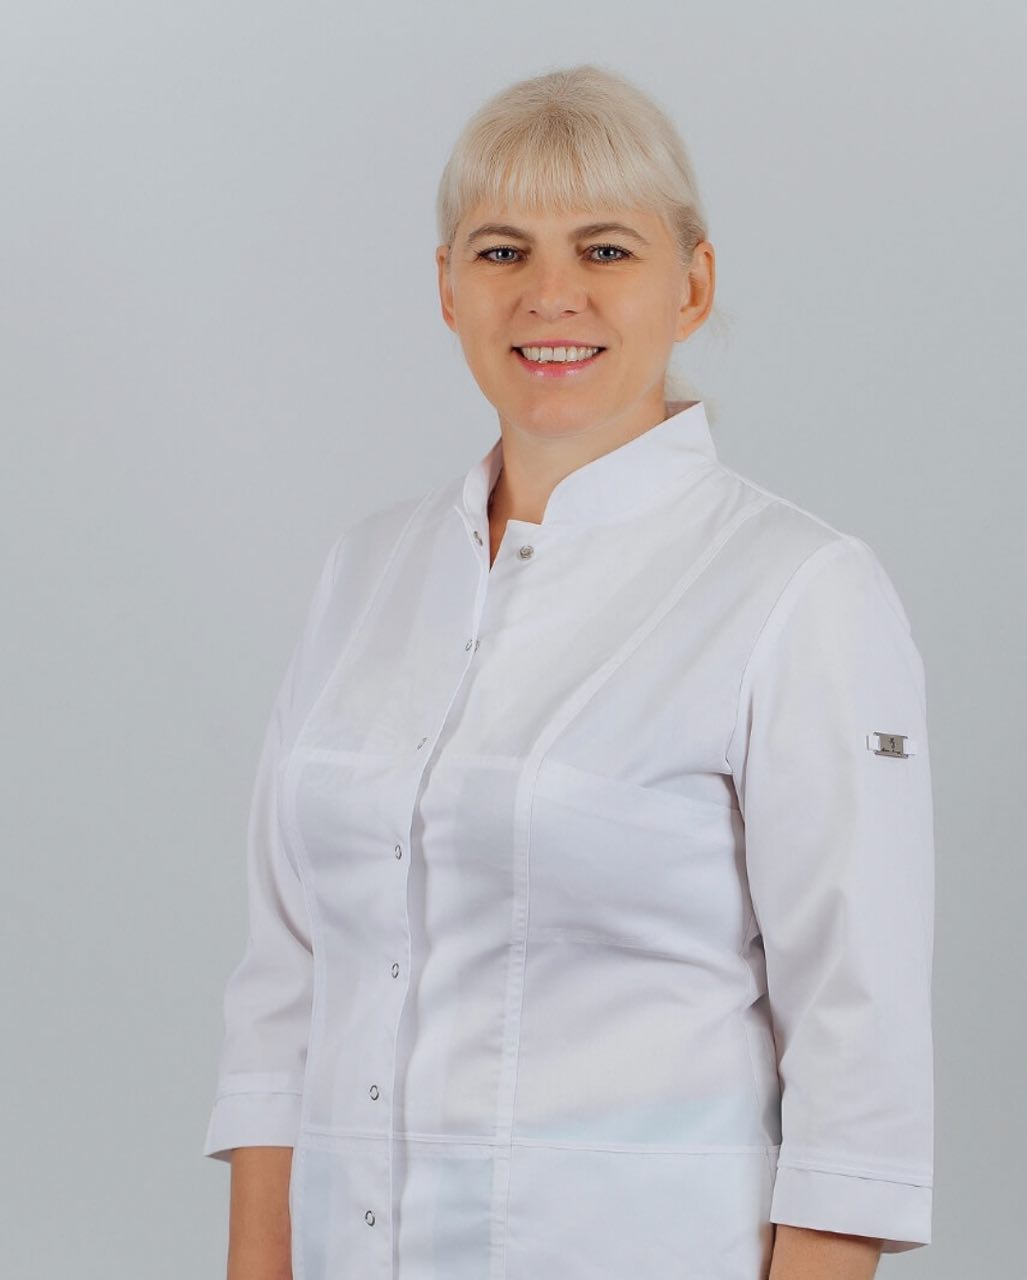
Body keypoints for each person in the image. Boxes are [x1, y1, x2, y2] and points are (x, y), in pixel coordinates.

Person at [202, 63, 935, 1280]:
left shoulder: (800, 590)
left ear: (691, 284)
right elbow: (286, 986)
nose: (551, 294)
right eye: (503, 251)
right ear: (447, 286)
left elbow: (859, 1051)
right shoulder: (366, 572)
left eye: (605, 249)